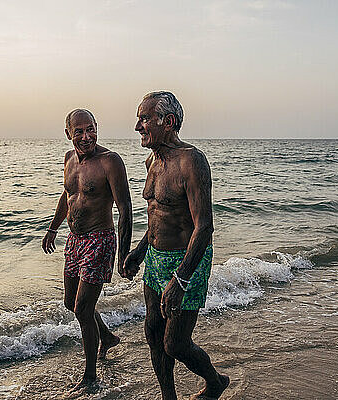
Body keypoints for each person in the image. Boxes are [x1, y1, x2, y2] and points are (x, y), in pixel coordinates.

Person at [121, 91, 229, 400]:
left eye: (144, 119)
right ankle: (169, 397)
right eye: (138, 118)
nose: (138, 126)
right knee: (153, 332)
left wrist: (180, 280)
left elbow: (204, 226)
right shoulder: (151, 160)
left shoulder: (191, 161)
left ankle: (215, 381)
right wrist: (139, 252)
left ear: (168, 122)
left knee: (176, 343)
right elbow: (158, 215)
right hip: (156, 259)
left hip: (188, 262)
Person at [42, 108, 132, 393]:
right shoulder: (69, 160)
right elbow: (68, 196)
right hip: (75, 239)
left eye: (90, 129)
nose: (86, 136)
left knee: (83, 308)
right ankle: (106, 336)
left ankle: (90, 376)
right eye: (79, 131)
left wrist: (123, 255)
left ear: (97, 127)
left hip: (100, 240)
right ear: (68, 133)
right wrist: (53, 227)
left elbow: (125, 209)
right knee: (72, 303)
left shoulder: (110, 162)